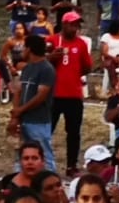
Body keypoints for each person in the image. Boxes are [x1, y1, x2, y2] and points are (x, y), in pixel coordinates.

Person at [45, 12, 92, 172]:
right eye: (72, 24)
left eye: (77, 24)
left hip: (73, 94)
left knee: (73, 132)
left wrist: (74, 73)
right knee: (47, 129)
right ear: (64, 24)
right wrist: (52, 58)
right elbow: (40, 63)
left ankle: (71, 165)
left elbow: (87, 67)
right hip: (54, 94)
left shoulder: (81, 44)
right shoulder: (52, 41)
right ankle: (44, 163)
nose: (75, 27)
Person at [9, 33, 55, 172]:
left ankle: (49, 179)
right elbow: (19, 90)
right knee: (22, 152)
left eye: (24, 47)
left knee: (43, 153)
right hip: (24, 119)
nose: (22, 50)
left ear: (29, 49)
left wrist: (21, 110)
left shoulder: (46, 69)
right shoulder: (27, 68)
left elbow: (41, 96)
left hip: (39, 120)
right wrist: (16, 115)